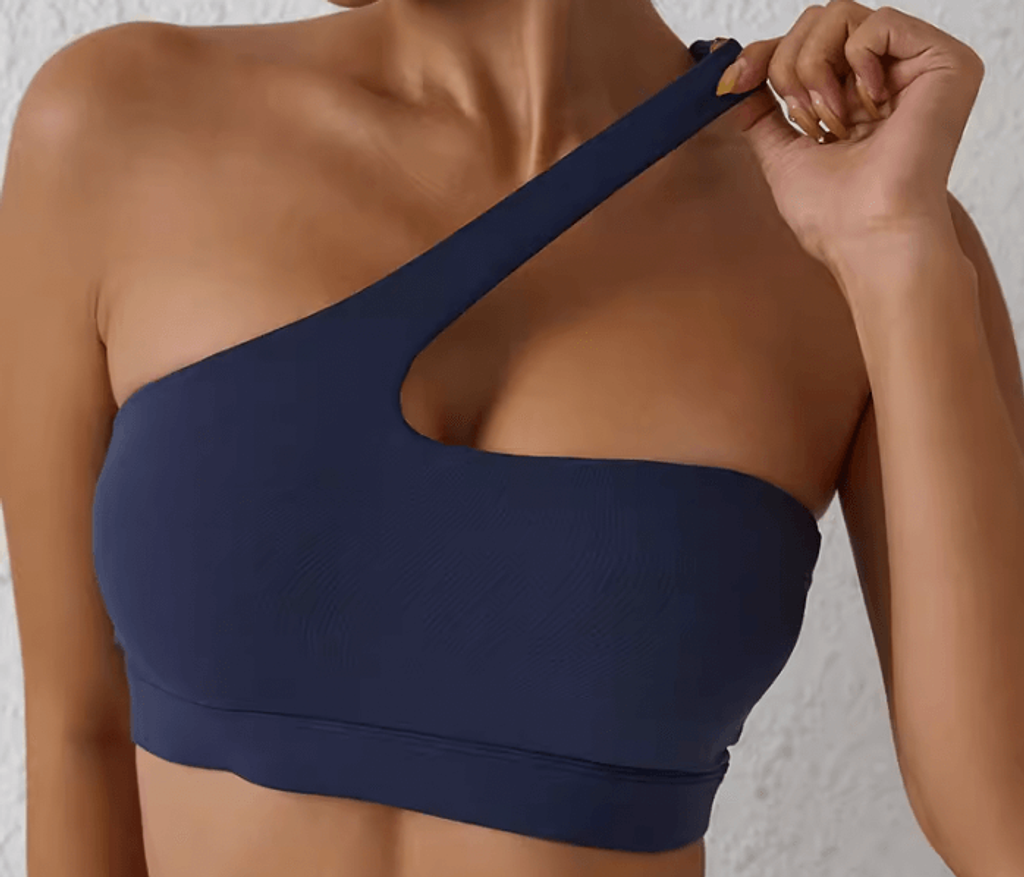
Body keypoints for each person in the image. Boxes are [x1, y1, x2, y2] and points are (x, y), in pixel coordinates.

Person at [5, 1, 962, 875]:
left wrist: (898, 248)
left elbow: (999, 827)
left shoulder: (851, 218)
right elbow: (80, 735)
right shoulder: (116, 124)